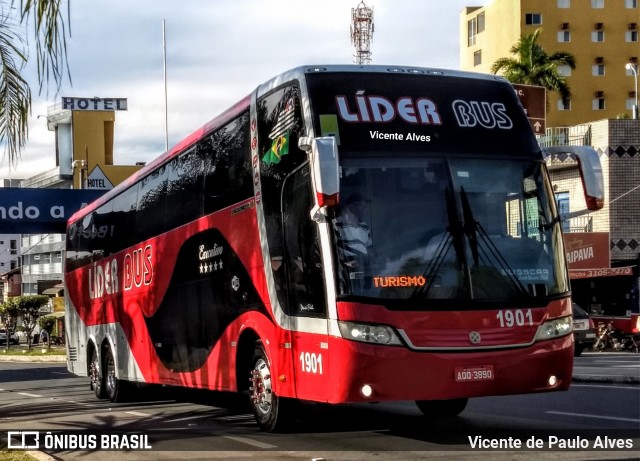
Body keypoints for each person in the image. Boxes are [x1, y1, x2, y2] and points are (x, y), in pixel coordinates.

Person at [334, 192, 373, 267]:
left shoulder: (365, 226)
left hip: (364, 266)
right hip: (345, 270)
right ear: (353, 206)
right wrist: (344, 264)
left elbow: (369, 248)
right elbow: (331, 249)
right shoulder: (336, 224)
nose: (365, 209)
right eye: (363, 206)